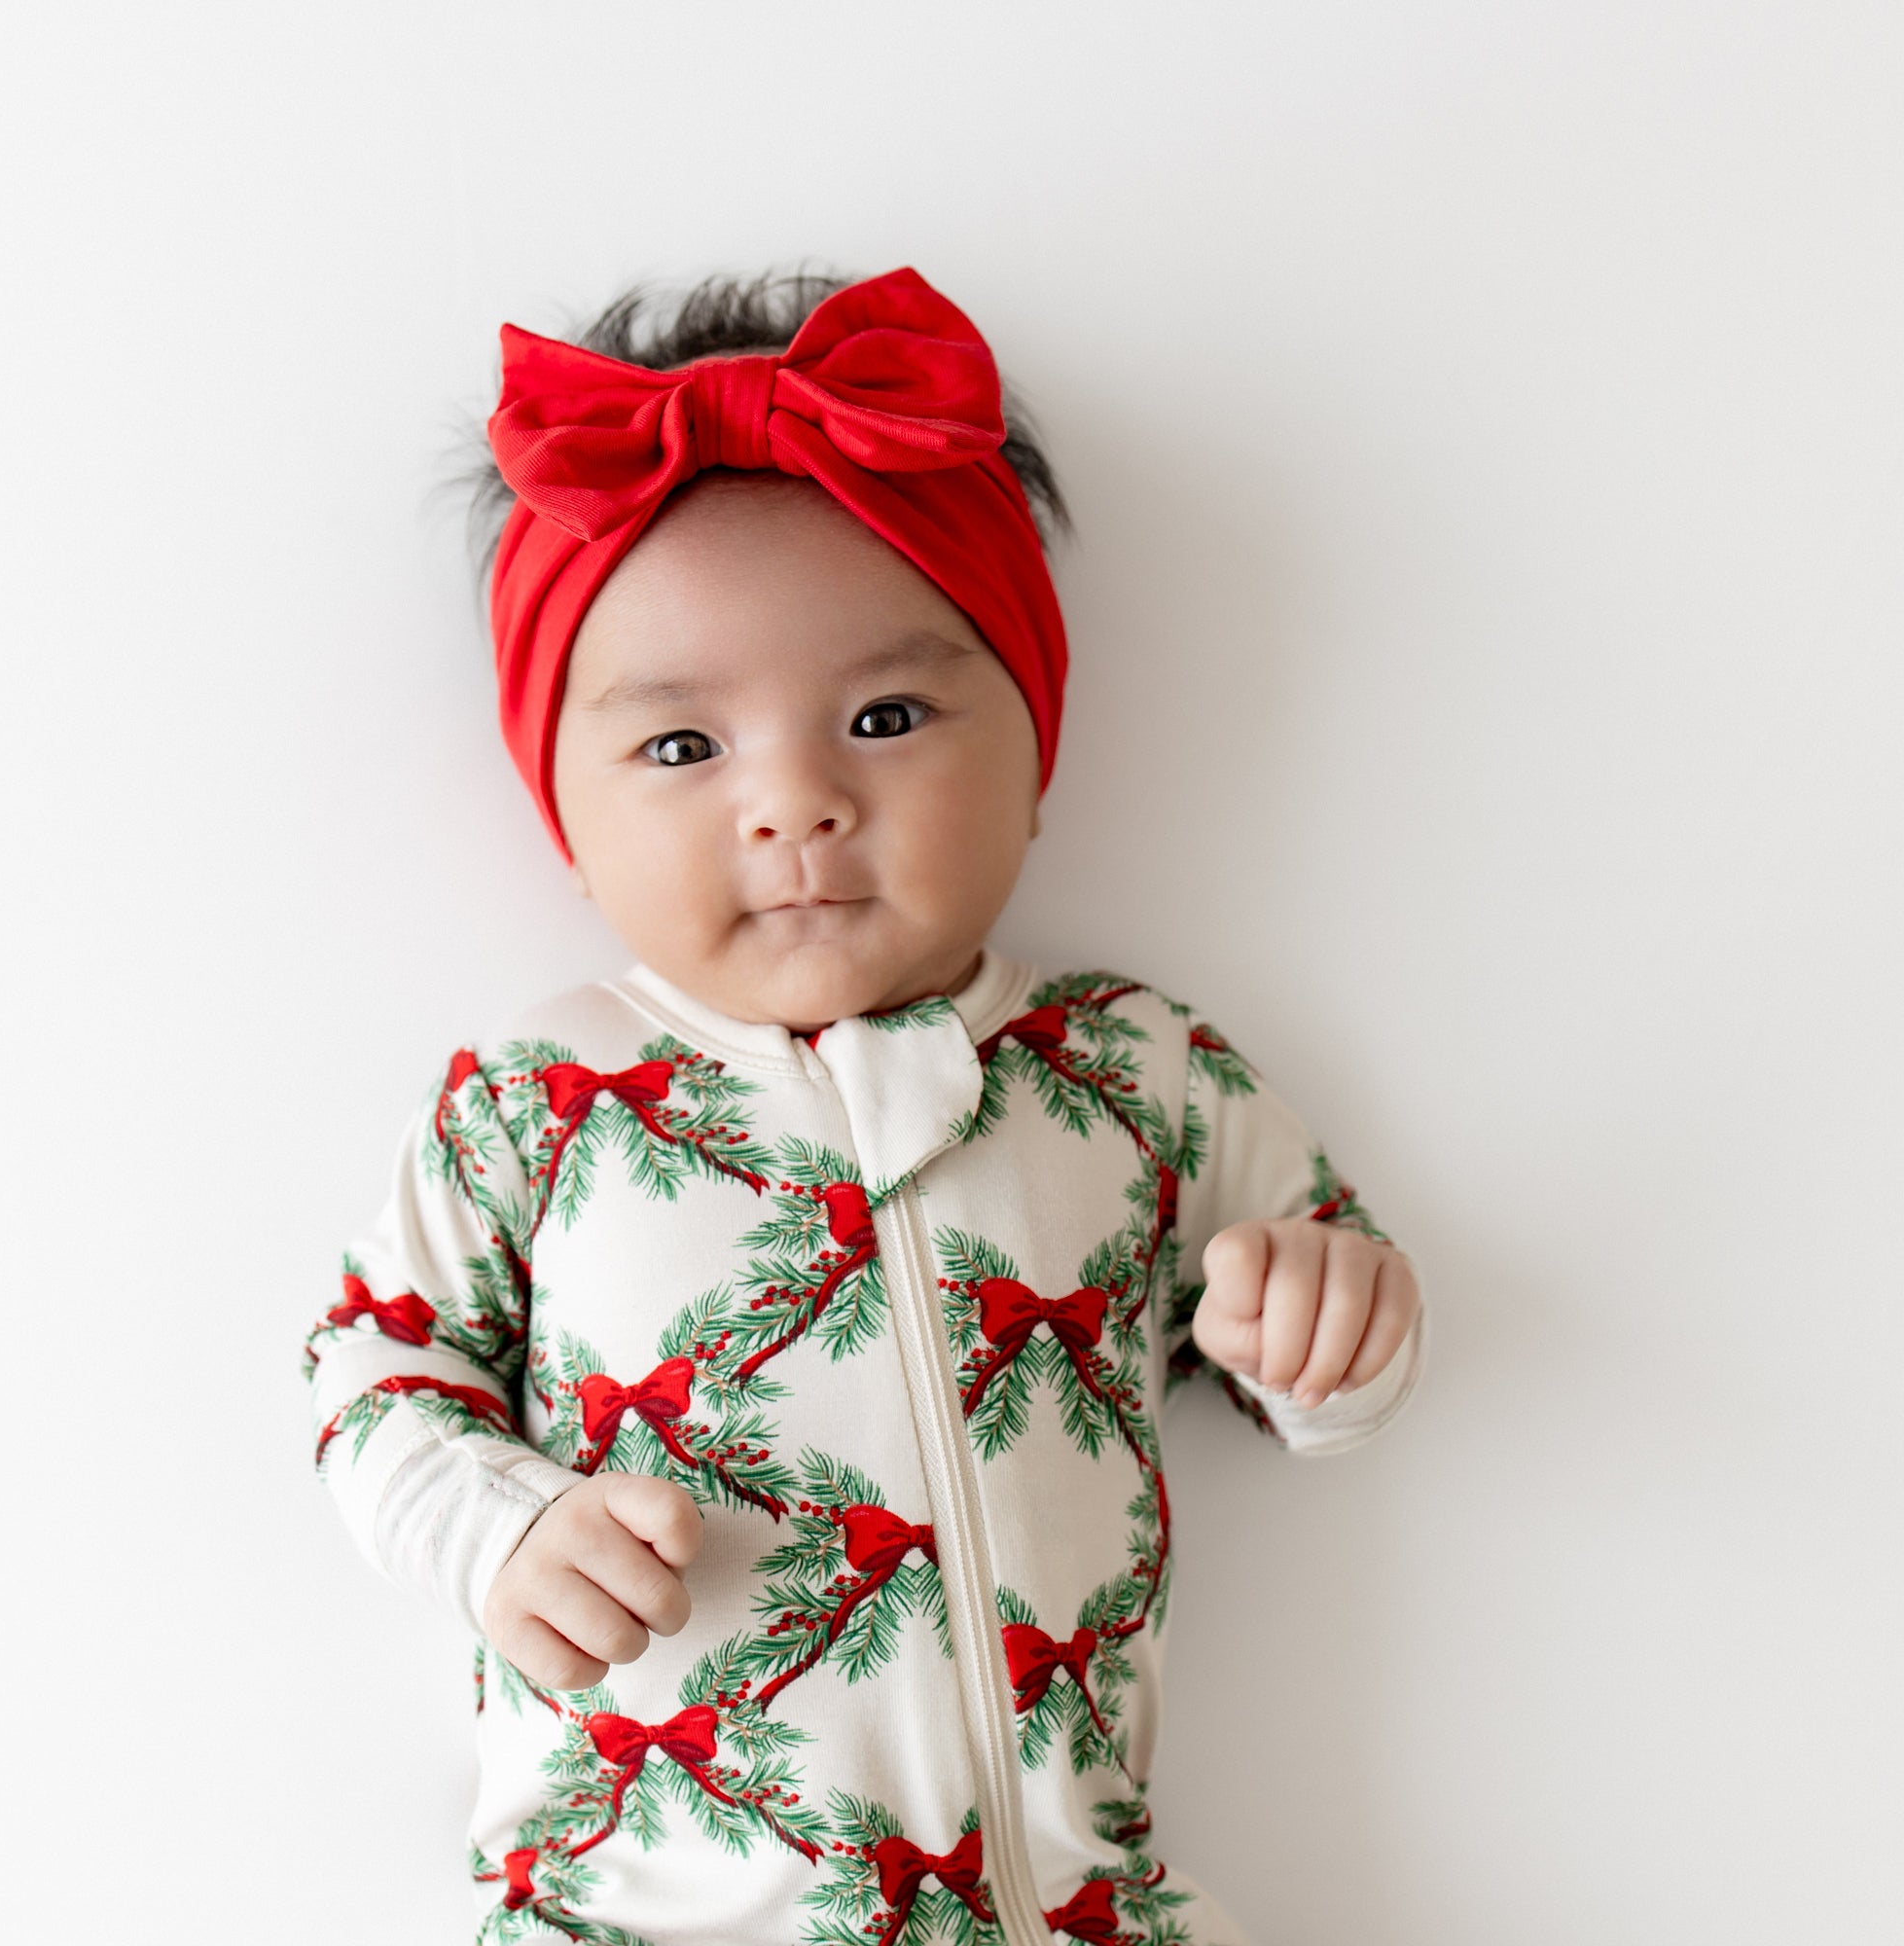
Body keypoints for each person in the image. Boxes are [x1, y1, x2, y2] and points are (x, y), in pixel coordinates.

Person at [305, 265, 1425, 1946]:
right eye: (683, 749)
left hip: (1070, 1904)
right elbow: (370, 1369)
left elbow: (1320, 1330)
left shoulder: (1132, 1072)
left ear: (1035, 749)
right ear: (566, 809)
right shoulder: (539, 1095)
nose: (800, 804)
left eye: (886, 718)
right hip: (637, 1908)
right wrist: (500, 1527)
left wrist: (1333, 1329)